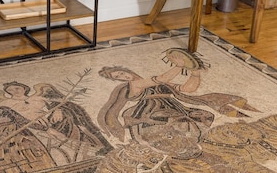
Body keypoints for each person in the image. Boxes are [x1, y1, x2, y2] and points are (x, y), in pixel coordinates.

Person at [97, 52, 259, 141]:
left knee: (201, 116)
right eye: (118, 77)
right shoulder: (134, 85)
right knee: (172, 120)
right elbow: (162, 79)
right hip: (150, 108)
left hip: (173, 104)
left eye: (121, 73)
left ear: (127, 70)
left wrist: (194, 72)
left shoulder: (153, 84)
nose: (122, 77)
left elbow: (187, 88)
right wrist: (179, 66)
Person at [0, 81, 114, 163]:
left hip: (48, 121)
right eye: (10, 90)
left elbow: (56, 104)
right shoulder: (6, 103)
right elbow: (14, 118)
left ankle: (94, 146)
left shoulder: (37, 98)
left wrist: (58, 110)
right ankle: (80, 153)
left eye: (17, 88)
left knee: (67, 114)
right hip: (30, 127)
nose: (14, 92)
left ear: (24, 88)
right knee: (59, 129)